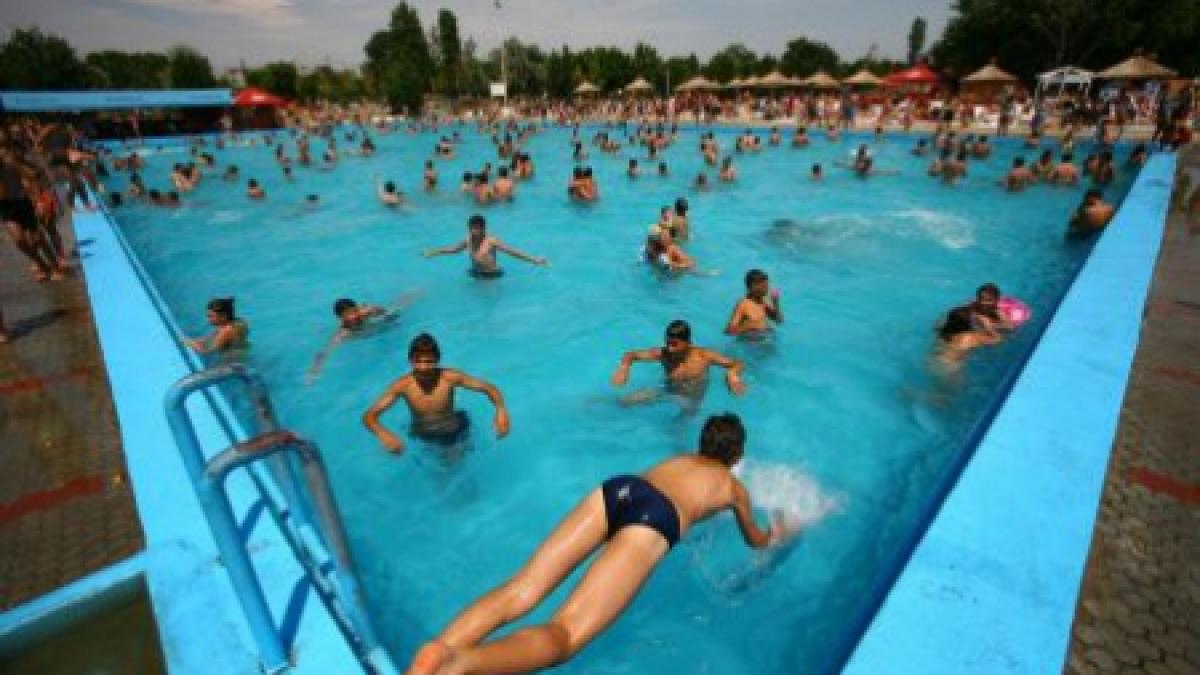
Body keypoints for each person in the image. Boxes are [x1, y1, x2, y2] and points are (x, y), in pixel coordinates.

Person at [406, 413, 795, 675]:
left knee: (521, 589)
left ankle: (437, 651)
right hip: (657, 519)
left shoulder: (680, 459)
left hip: (622, 489)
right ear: (737, 455)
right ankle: (459, 665)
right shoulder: (732, 486)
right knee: (566, 635)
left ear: (702, 444)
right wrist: (778, 533)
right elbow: (756, 541)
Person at [362, 332, 508, 454]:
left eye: (429, 361)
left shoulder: (450, 377)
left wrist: (501, 411)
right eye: (417, 361)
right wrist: (382, 433)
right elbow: (369, 416)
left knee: (456, 469)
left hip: (454, 429)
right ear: (410, 360)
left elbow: (489, 388)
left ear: (438, 360)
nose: (423, 367)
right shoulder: (403, 386)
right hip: (424, 434)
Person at [611, 320, 747, 406]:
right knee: (623, 403)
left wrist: (733, 376)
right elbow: (631, 355)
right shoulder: (663, 354)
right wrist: (624, 368)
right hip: (667, 391)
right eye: (667, 343)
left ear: (688, 342)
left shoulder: (704, 356)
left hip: (692, 400)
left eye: (674, 344)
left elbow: (737, 363)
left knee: (679, 426)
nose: (669, 348)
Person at [424, 214, 548, 278]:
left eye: (476, 229)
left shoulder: (491, 241)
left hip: (492, 275)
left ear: (483, 228)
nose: (473, 231)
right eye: (471, 228)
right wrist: (434, 251)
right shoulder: (468, 239)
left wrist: (535, 259)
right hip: (475, 273)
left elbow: (512, 251)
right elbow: (454, 249)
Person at [725, 269, 783, 337]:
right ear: (753, 287)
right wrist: (749, 328)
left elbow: (779, 321)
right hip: (749, 345)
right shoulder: (743, 304)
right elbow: (728, 330)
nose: (768, 289)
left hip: (764, 341)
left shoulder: (762, 303)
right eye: (764, 286)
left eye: (767, 286)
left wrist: (776, 303)